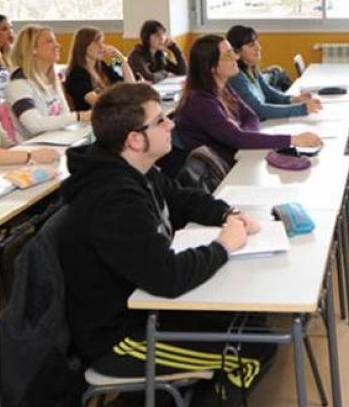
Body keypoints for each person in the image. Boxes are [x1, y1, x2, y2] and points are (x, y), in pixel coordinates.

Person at [58, 82, 268, 388]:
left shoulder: (136, 170)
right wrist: (223, 246)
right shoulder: (113, 199)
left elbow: (183, 198)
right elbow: (167, 278)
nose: (171, 124)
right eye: (160, 121)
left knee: (252, 321)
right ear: (134, 139)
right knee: (253, 350)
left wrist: (227, 214)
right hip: (121, 337)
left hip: (150, 310)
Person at [174, 35, 321, 163]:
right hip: (220, 172)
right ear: (211, 67)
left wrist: (242, 134)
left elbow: (251, 116)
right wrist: (293, 140)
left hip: (237, 156)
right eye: (228, 55)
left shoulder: (223, 86)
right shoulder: (200, 102)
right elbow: (238, 139)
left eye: (232, 52)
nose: (236, 58)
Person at [5, 25, 88, 141]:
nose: (57, 45)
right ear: (33, 48)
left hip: (56, 139)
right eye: (50, 41)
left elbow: (65, 114)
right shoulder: (19, 84)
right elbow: (34, 125)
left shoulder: (53, 80)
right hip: (32, 147)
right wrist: (79, 116)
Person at [225, 25, 320, 121]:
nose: (259, 48)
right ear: (236, 51)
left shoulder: (252, 68)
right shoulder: (235, 76)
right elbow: (258, 110)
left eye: (257, 42)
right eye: (251, 45)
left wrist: (292, 99)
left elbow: (268, 93)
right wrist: (301, 109)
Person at [63, 27, 137, 112]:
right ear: (84, 46)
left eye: (102, 42)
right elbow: (98, 102)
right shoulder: (77, 74)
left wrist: (119, 57)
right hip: (91, 120)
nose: (102, 47)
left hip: (110, 114)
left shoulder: (102, 66)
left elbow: (131, 85)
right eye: (96, 43)